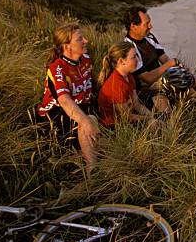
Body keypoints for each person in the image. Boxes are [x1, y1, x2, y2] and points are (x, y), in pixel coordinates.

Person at [122, 6, 196, 112]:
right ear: (133, 26)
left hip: (165, 79)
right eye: (146, 24)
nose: (151, 26)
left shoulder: (149, 37)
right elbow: (147, 78)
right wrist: (171, 64)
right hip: (147, 89)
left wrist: (179, 68)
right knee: (174, 97)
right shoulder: (129, 47)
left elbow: (164, 58)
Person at [36, 24, 99, 173]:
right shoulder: (56, 68)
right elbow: (64, 100)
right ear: (66, 46)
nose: (86, 40)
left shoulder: (86, 60)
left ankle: (76, 157)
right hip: (55, 116)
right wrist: (86, 121)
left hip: (78, 110)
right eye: (80, 39)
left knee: (104, 139)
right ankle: (92, 169)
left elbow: (93, 86)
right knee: (89, 120)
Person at [97, 41, 158, 128]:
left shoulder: (129, 76)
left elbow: (136, 104)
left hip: (127, 120)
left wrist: (152, 115)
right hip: (114, 127)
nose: (137, 59)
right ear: (121, 61)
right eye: (133, 57)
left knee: (156, 119)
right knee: (153, 124)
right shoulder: (117, 84)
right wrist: (148, 119)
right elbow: (126, 117)